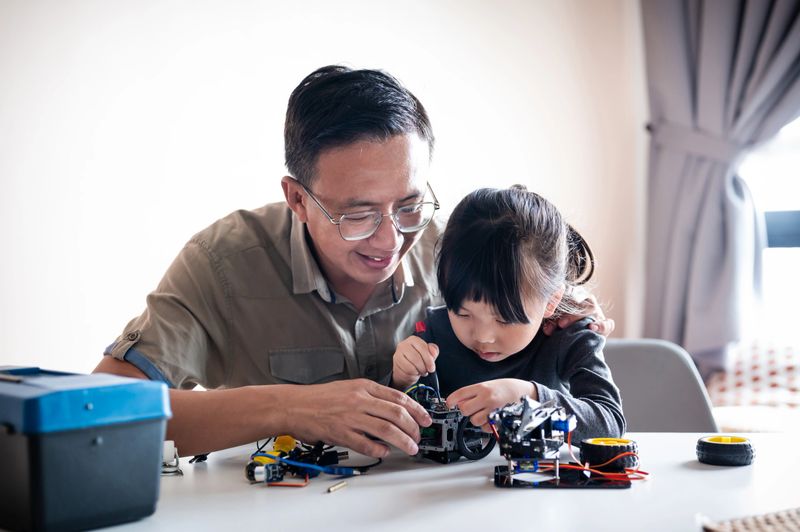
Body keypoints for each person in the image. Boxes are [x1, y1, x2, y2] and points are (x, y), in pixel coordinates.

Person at [93, 65, 615, 458]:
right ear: (297, 198)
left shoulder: (453, 251)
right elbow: (103, 413)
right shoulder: (225, 263)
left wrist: (559, 306)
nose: (391, 238)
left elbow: (533, 283)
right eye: (359, 215)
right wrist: (292, 407)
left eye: (409, 204)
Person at [391, 186, 624, 444]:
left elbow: (610, 423)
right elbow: (404, 430)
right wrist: (402, 380)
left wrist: (531, 398)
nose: (483, 336)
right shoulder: (433, 332)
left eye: (504, 319)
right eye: (463, 313)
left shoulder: (569, 335)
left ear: (551, 301)